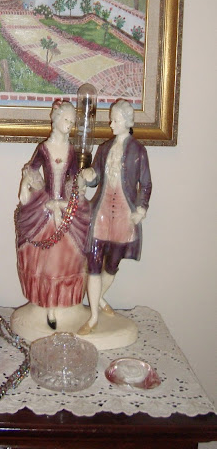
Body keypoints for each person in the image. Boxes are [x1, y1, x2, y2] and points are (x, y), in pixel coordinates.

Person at [78, 99, 152, 335]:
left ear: (127, 122)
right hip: (100, 214)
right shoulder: (104, 148)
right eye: (111, 120)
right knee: (93, 263)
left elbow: (146, 184)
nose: (111, 124)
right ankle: (93, 317)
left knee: (112, 265)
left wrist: (141, 208)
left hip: (123, 215)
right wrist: (90, 174)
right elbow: (96, 177)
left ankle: (98, 298)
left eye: (115, 120)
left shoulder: (138, 151)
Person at [15, 99, 91, 328]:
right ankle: (46, 302)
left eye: (72, 122)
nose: (69, 125)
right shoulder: (44, 148)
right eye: (66, 120)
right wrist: (26, 187)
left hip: (64, 205)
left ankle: (65, 302)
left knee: (67, 257)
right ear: (56, 120)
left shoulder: (71, 150)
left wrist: (81, 183)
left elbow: (73, 179)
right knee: (45, 259)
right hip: (45, 206)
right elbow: (31, 171)